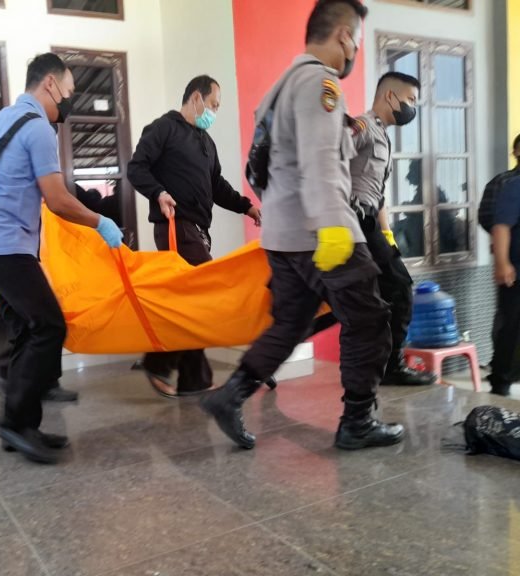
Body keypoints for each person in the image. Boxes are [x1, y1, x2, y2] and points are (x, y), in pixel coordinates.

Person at [201, 0, 405, 451]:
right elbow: (321, 160)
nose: (354, 51)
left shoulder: (279, 88)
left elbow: (259, 170)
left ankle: (229, 397)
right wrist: (332, 226)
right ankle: (357, 421)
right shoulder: (320, 83)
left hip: (282, 233)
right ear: (344, 36)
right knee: (370, 319)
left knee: (290, 324)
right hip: (323, 230)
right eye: (356, 40)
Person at [0, 53, 123, 464]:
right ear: (50, 83)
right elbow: (58, 199)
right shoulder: (37, 128)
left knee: (25, 330)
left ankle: (20, 425)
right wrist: (100, 221)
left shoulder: (0, 120)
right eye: (69, 90)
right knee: (49, 326)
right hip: (7, 246)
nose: (69, 99)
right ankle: (14, 423)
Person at [127, 75, 262, 398]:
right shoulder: (163, 128)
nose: (215, 111)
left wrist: (246, 207)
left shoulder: (206, 142)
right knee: (203, 296)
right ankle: (161, 364)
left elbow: (217, 186)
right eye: (213, 104)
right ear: (196, 98)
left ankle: (191, 378)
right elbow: (136, 168)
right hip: (176, 226)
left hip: (198, 230)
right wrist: (159, 193)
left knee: (191, 302)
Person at [349, 72, 436, 386]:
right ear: (390, 96)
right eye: (410, 99)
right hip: (352, 221)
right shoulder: (361, 126)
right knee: (398, 287)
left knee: (382, 293)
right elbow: (329, 164)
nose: (412, 106)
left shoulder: (383, 136)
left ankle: (384, 364)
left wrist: (388, 236)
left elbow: (379, 195)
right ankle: (391, 367)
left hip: (370, 221)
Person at [488, 134, 520, 396]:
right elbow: (501, 227)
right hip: (515, 271)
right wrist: (502, 262)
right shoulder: (512, 186)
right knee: (510, 327)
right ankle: (501, 383)